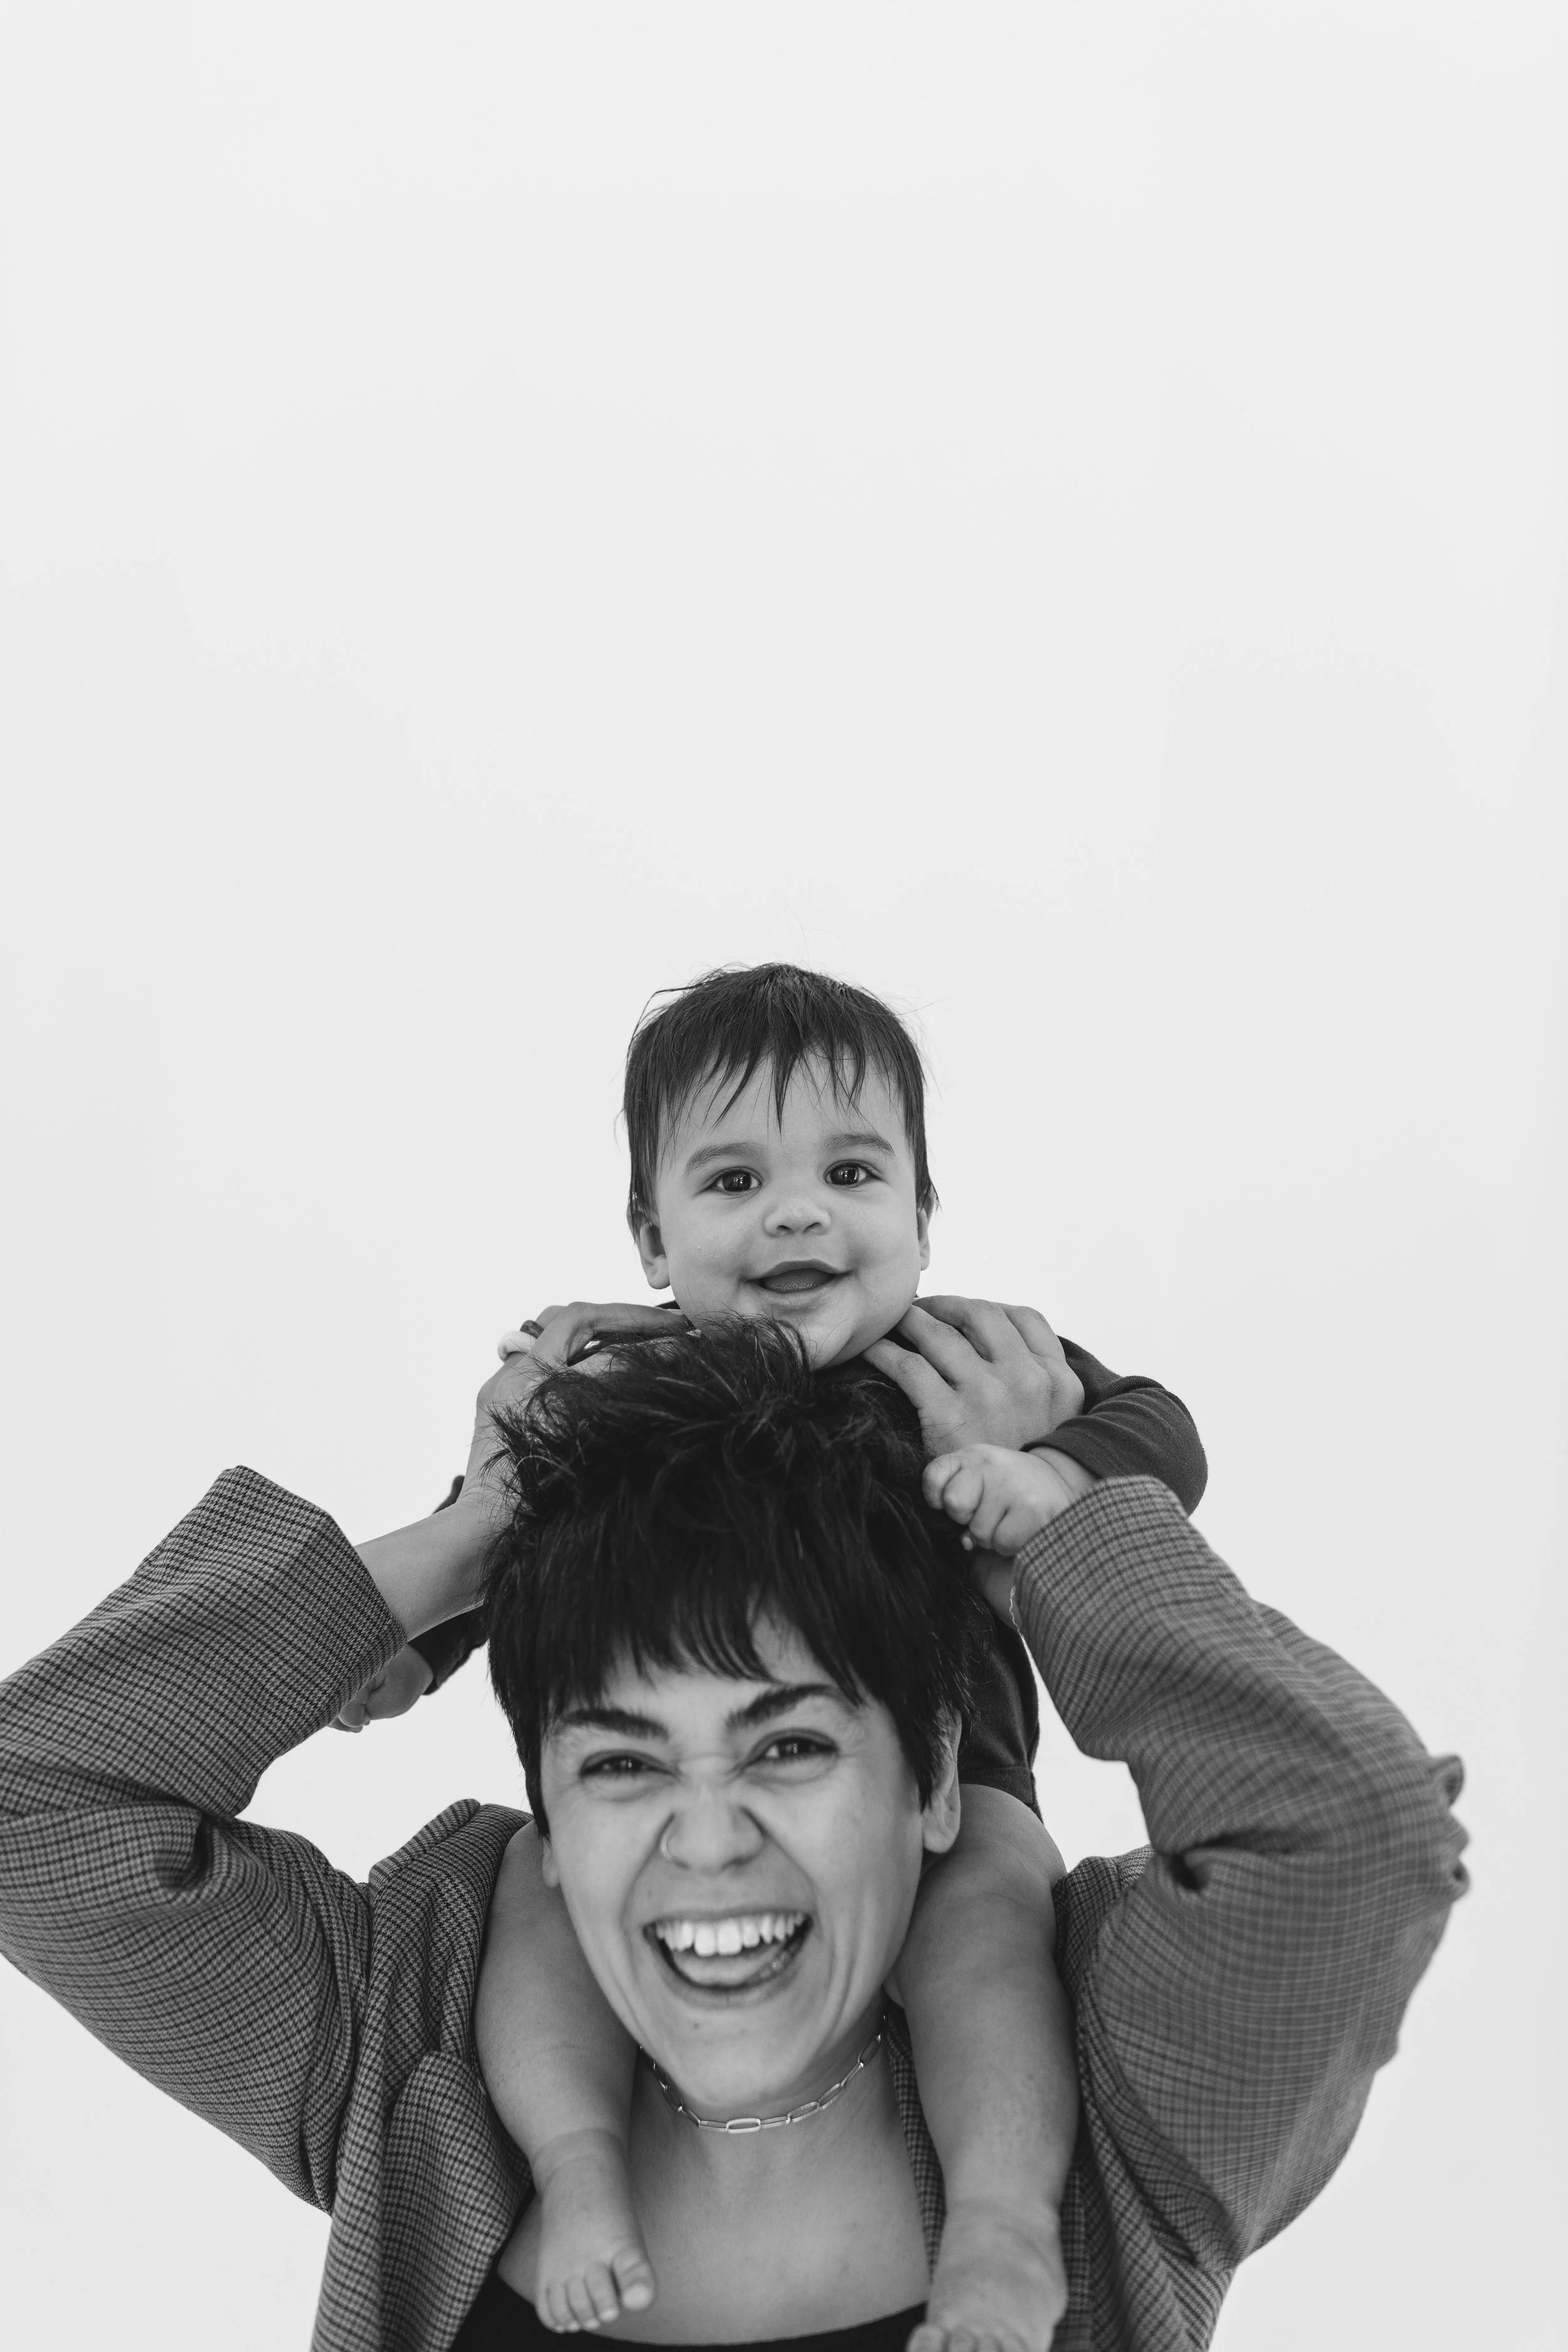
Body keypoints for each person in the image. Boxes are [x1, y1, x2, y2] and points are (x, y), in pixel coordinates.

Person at [0, 1318, 1466, 2352]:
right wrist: (464, 1538)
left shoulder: (1114, 2093)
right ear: (548, 1815)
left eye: (788, 1745)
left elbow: (1355, 1836)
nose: (707, 1840)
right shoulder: (416, 2048)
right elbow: (33, 1805)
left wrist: (1052, 1540)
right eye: (624, 1764)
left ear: (934, 1778)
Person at [347, 964, 1209, 2343]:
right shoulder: (619, 1382)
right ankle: (577, 2175)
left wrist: (1046, 1475)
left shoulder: (959, 1363)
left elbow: (1165, 1432)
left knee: (993, 1920)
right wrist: (416, 1649)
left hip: (952, 1785)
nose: (797, 1210)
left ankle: (994, 2227)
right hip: (662, 1797)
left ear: (921, 1213)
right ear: (649, 1235)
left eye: (851, 1172)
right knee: (527, 1891)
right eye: (733, 1182)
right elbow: (525, 1539)